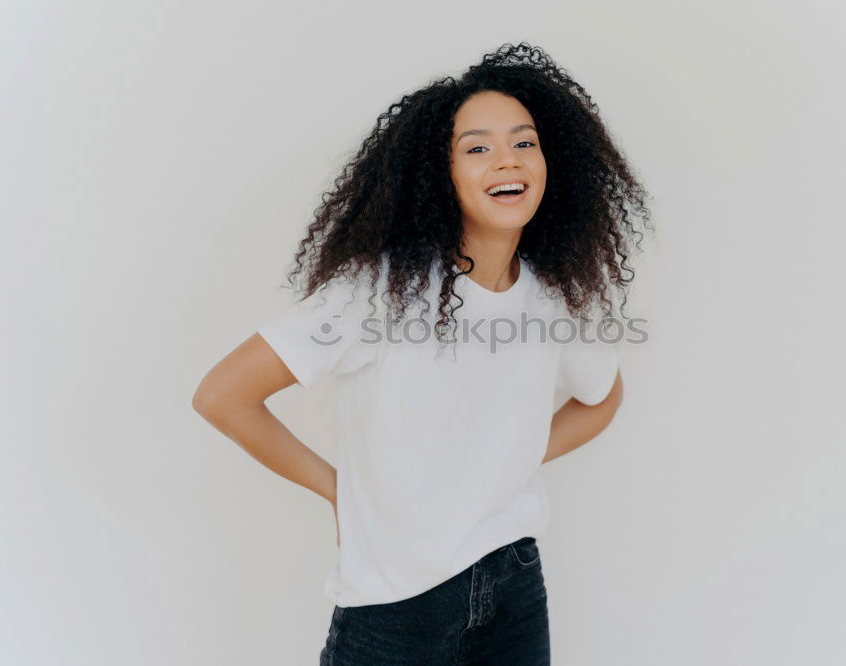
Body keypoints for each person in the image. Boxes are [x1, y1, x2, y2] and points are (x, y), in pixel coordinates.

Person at [192, 41, 652, 665]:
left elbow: (603, 398)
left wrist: (508, 457)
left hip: (514, 582)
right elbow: (224, 396)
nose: (506, 161)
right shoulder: (376, 292)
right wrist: (337, 491)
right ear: (442, 174)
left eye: (524, 142)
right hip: (397, 605)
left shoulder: (555, 297)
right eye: (477, 148)